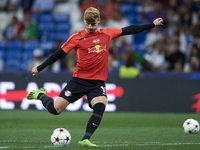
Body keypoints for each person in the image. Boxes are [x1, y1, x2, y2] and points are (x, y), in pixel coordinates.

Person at [26, 7, 163, 147]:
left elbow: (129, 29)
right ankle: (40, 95)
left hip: (97, 83)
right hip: (79, 80)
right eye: (88, 24)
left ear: (99, 21)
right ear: (84, 21)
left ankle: (85, 139)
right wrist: (40, 68)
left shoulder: (107, 33)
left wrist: (152, 24)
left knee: (100, 105)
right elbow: (59, 53)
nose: (91, 27)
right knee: (55, 110)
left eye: (94, 24)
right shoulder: (76, 37)